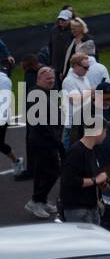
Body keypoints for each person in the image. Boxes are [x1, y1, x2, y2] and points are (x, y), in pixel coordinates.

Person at [24, 68, 61, 219]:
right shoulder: (36, 95)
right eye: (48, 79)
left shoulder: (45, 93)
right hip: (42, 141)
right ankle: (35, 201)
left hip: (44, 139)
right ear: (39, 79)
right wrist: (55, 138)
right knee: (53, 171)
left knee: (42, 172)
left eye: (53, 78)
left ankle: (41, 200)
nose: (52, 81)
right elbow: (40, 122)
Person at [60, 126, 107, 224]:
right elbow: (70, 180)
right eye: (105, 132)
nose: (106, 135)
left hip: (91, 208)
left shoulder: (91, 150)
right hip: (78, 211)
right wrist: (96, 180)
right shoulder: (75, 152)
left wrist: (97, 199)